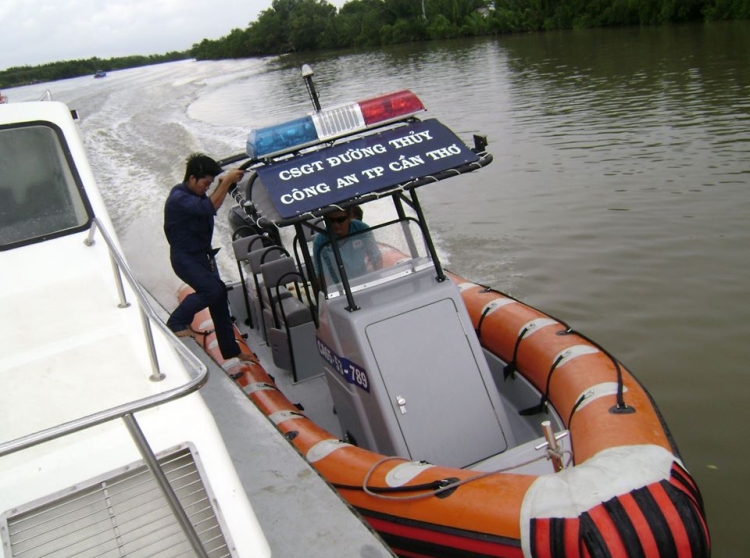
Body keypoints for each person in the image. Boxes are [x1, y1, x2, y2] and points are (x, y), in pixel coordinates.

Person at [164, 153, 255, 362]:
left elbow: (211, 202)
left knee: (219, 297)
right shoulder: (179, 198)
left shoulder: (197, 195)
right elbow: (209, 208)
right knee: (212, 291)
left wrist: (223, 183)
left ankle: (231, 350)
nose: (207, 188)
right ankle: (176, 323)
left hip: (203, 257)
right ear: (192, 178)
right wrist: (227, 181)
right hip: (185, 259)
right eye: (205, 183)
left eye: (210, 184)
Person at [313, 207, 381, 285]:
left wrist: (378, 279)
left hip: (363, 281)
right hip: (338, 287)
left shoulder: (362, 229)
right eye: (330, 220)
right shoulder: (320, 241)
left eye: (340, 219)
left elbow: (376, 257)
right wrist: (328, 291)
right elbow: (322, 274)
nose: (335, 224)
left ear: (349, 217)